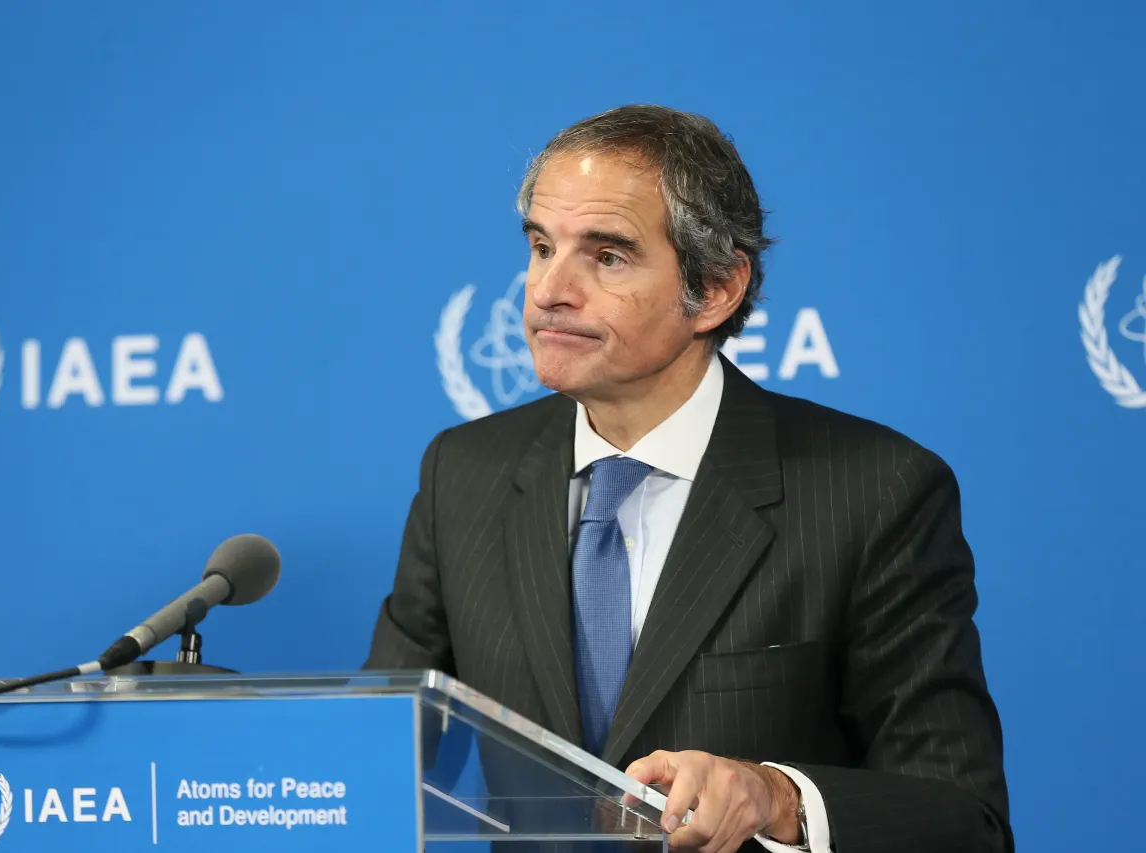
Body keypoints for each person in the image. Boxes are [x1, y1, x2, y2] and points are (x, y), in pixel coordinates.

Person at [365, 105, 1011, 853]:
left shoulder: (876, 492)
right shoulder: (463, 473)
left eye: (606, 256)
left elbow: (965, 819)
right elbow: (381, 757)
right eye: (542, 247)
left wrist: (777, 796)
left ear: (715, 289)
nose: (548, 290)